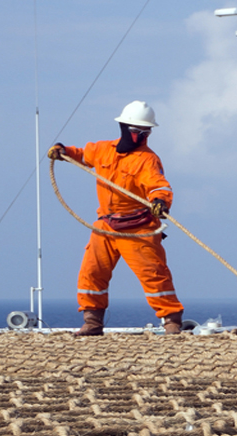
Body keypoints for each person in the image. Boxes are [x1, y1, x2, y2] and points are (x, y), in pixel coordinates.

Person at [48, 100, 184, 336]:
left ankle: (171, 321)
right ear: (123, 127)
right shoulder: (102, 149)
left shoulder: (148, 159)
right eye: (136, 131)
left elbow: (158, 185)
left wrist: (160, 202)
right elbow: (80, 154)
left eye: (145, 132)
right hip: (106, 226)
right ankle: (92, 322)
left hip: (138, 227)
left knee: (154, 275)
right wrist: (63, 150)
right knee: (91, 272)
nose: (141, 136)